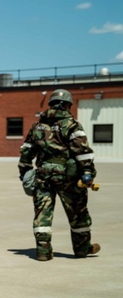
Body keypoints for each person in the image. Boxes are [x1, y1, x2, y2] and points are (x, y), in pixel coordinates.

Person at [18, 89, 99, 261]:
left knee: (42, 214)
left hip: (42, 176)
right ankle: (83, 248)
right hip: (68, 178)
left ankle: (43, 251)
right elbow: (83, 152)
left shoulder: (37, 126)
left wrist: (24, 173)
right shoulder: (72, 125)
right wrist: (88, 172)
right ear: (68, 105)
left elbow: (26, 152)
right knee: (78, 213)